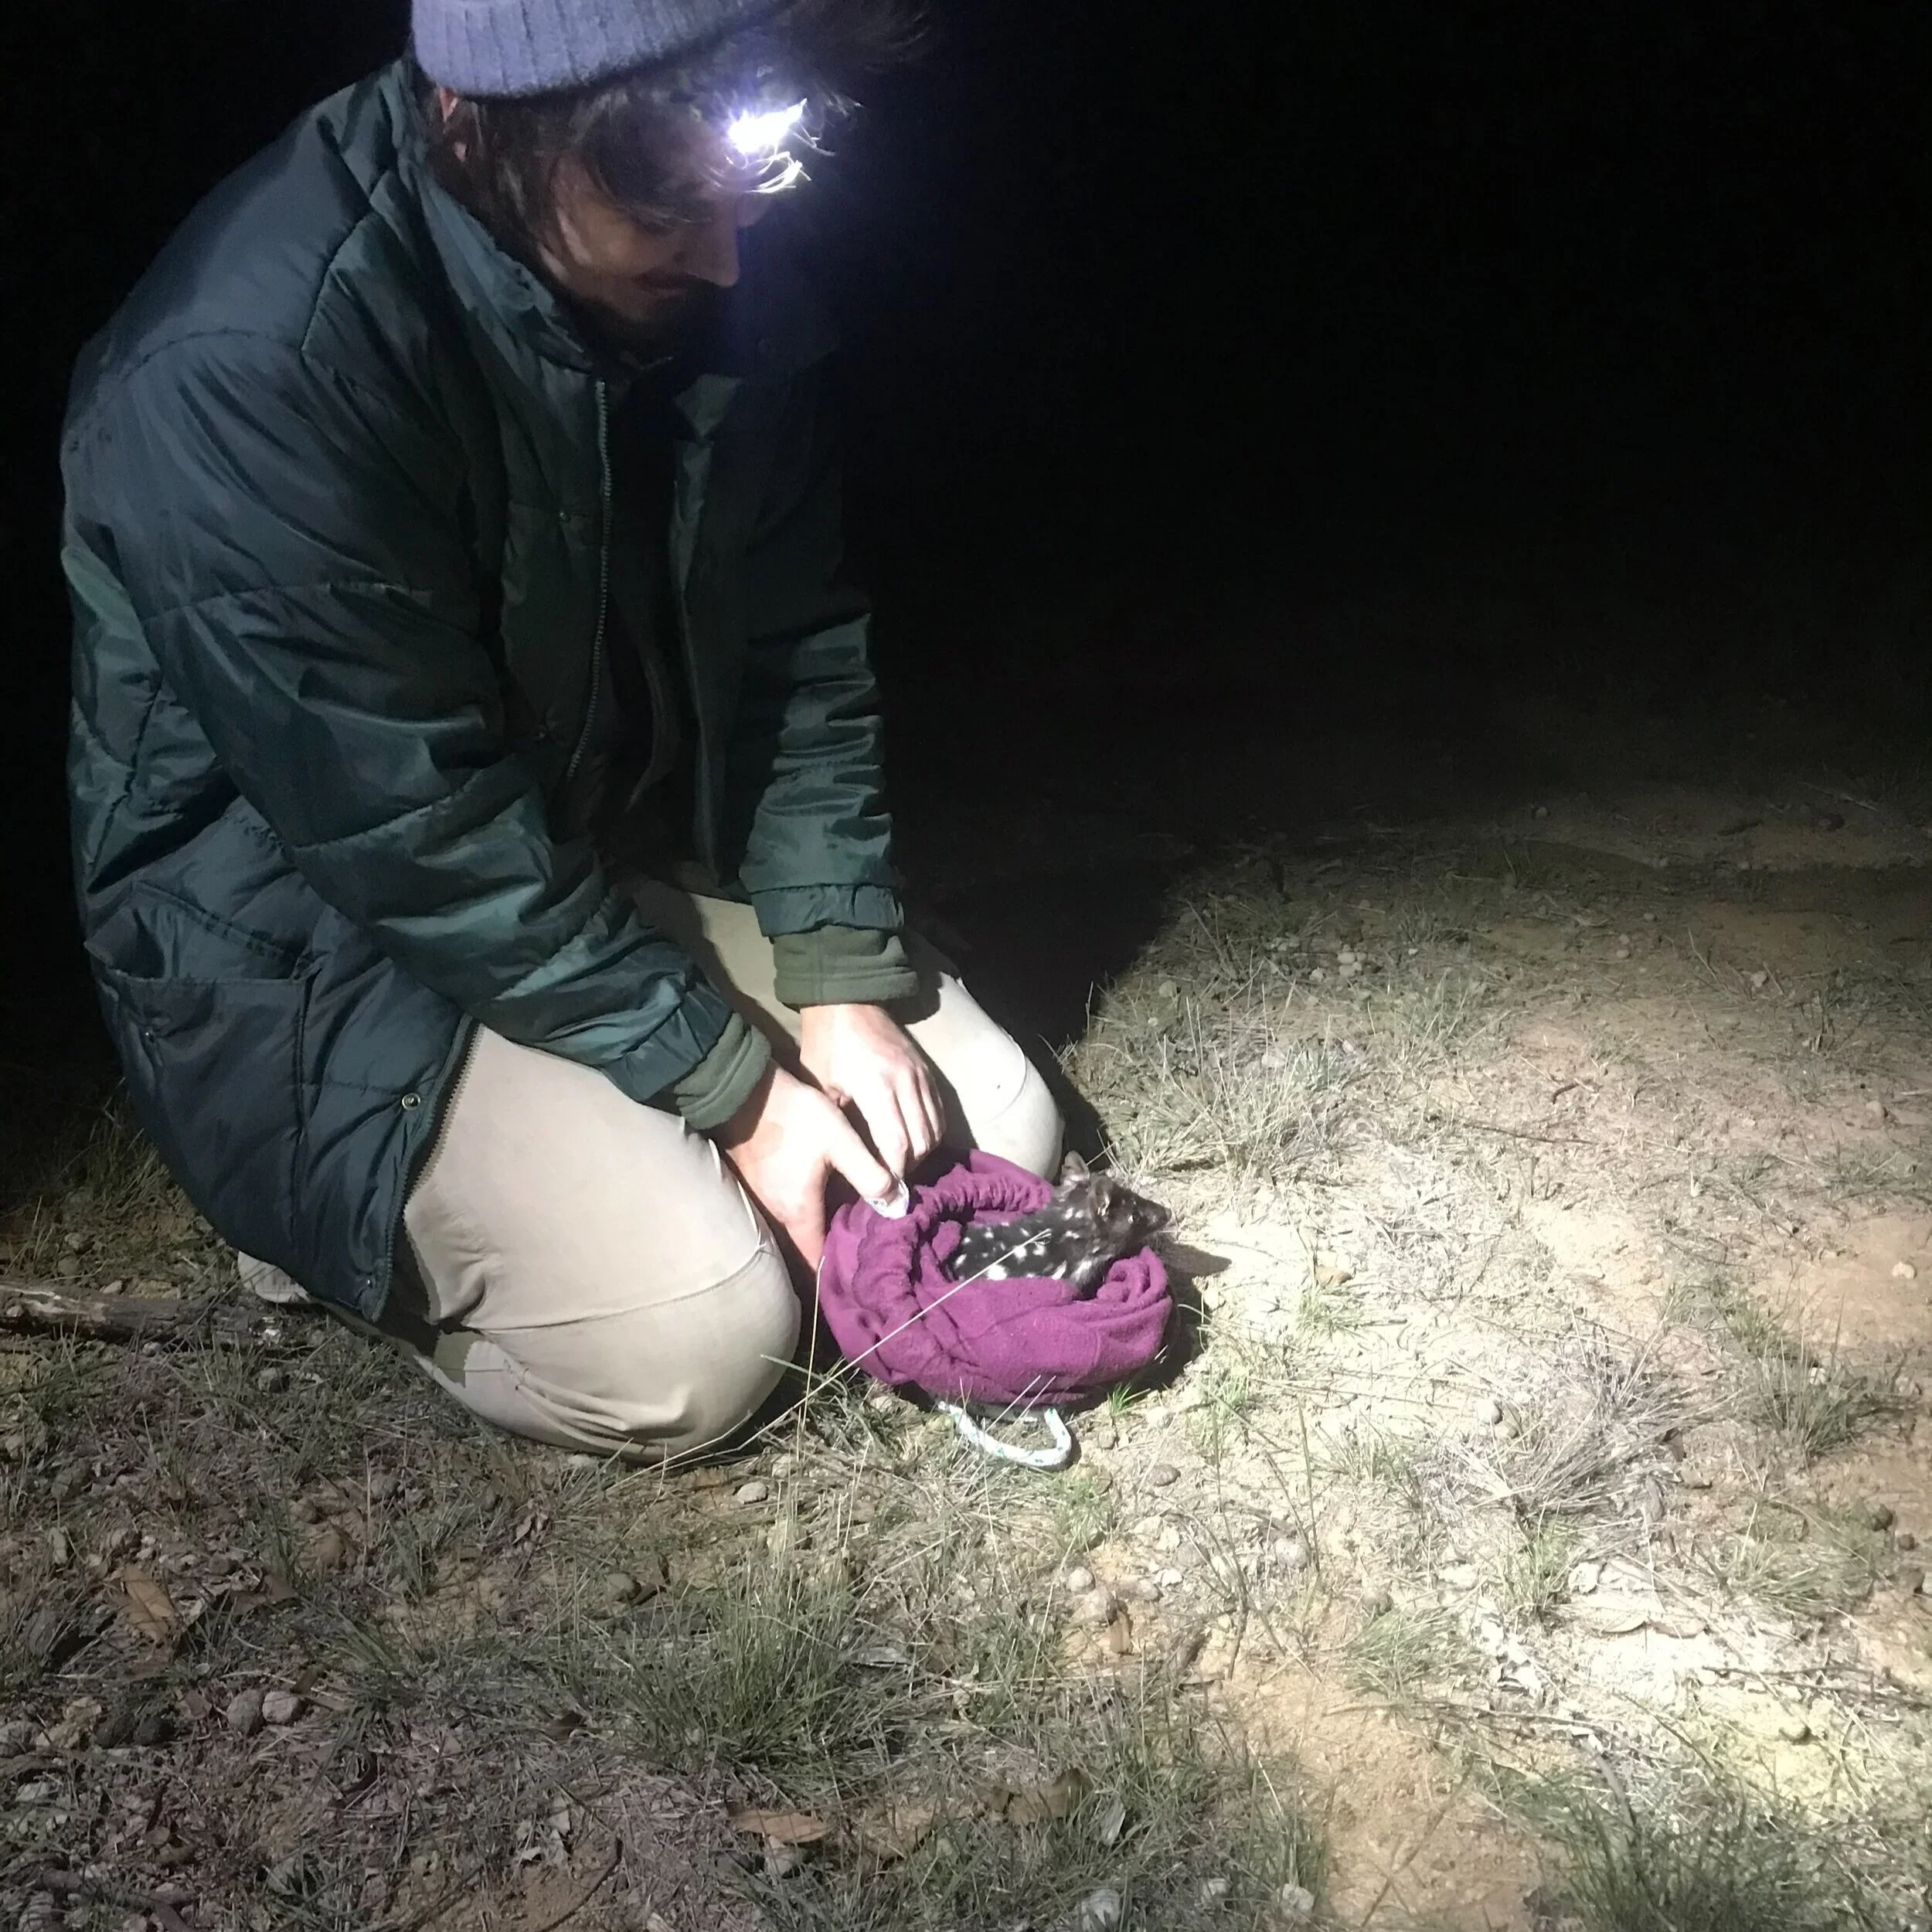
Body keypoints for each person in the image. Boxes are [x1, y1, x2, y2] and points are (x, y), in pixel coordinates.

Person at [60, 0, 1062, 1462]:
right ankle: (337, 1238)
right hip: (311, 943)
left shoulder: (704, 246)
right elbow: (416, 834)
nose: (725, 256)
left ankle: (607, 1157)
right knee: (701, 1343)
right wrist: (733, 1093)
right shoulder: (250, 362)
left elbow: (797, 644)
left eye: (745, 189)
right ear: (479, 128)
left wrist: (839, 974)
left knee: (995, 1130)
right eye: (666, 202)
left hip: (575, 852)